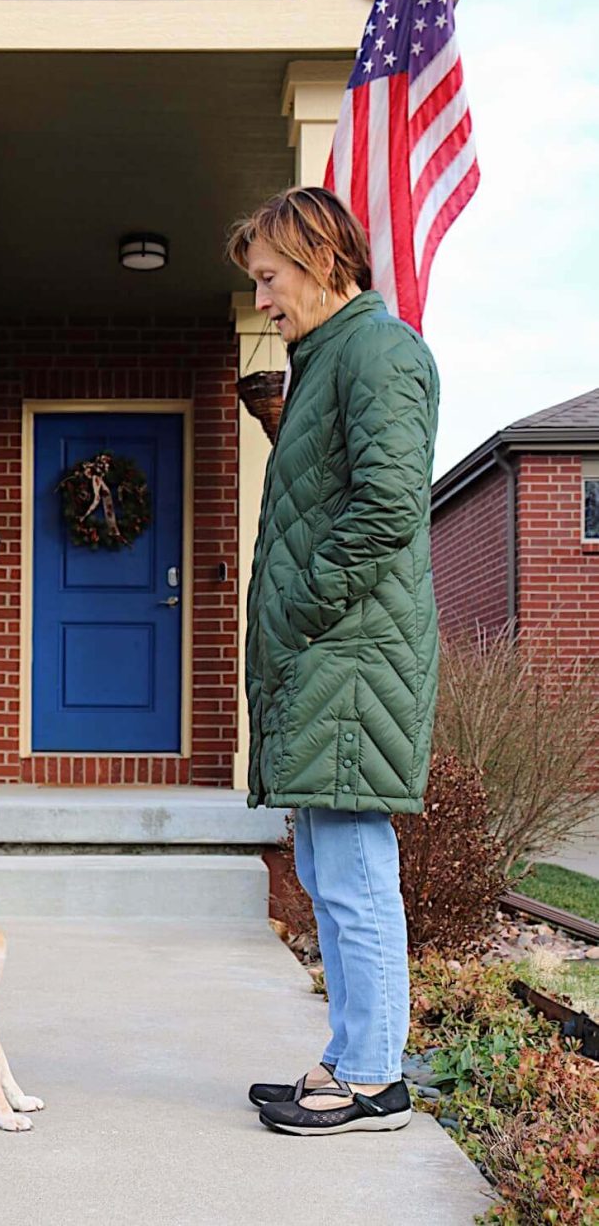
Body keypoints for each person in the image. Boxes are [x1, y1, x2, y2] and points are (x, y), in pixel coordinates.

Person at [227, 187, 439, 1137]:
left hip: (349, 657)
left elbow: (390, 505)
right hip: (328, 656)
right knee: (327, 869)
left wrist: (300, 607)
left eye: (270, 278)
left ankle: (375, 1080)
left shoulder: (379, 352)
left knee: (354, 873)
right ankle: (353, 1057)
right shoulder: (328, 360)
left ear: (321, 260)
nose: (263, 299)